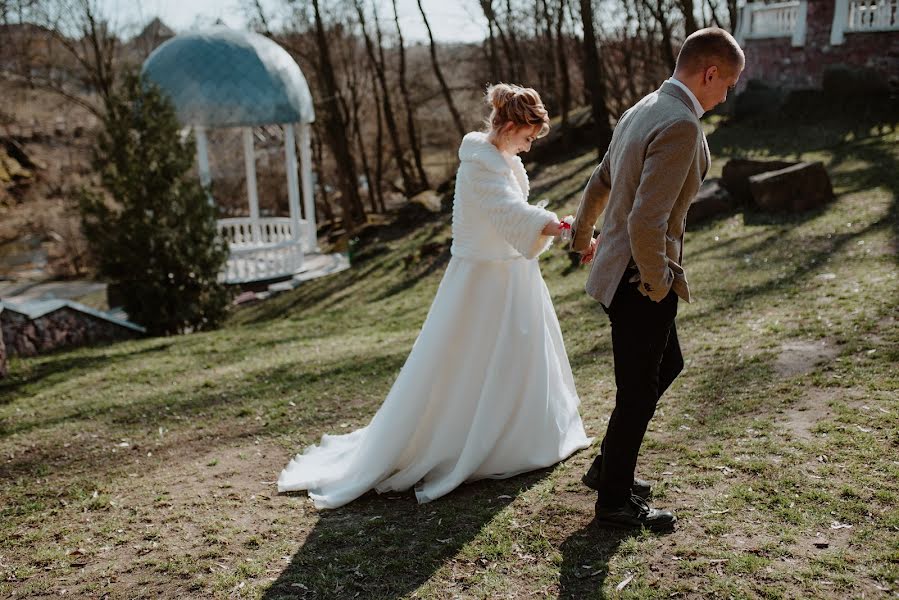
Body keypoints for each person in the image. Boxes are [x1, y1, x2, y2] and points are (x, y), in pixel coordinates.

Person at [278, 83, 593, 509]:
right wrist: (555, 224)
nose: (530, 147)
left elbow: (512, 214)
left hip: (511, 275)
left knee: (521, 356)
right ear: (513, 126)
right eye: (528, 137)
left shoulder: (501, 158)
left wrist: (550, 225)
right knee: (471, 362)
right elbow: (507, 212)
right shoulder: (480, 164)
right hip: (482, 281)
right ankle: (470, 440)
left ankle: (520, 435)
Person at [570, 28, 745, 531]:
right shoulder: (681, 124)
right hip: (639, 277)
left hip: (619, 269)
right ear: (710, 73)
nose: (725, 94)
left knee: (666, 365)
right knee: (637, 390)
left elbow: (600, 179)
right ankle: (614, 503)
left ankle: (610, 470)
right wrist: (656, 283)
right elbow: (647, 220)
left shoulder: (642, 107)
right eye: (727, 83)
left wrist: (583, 237)